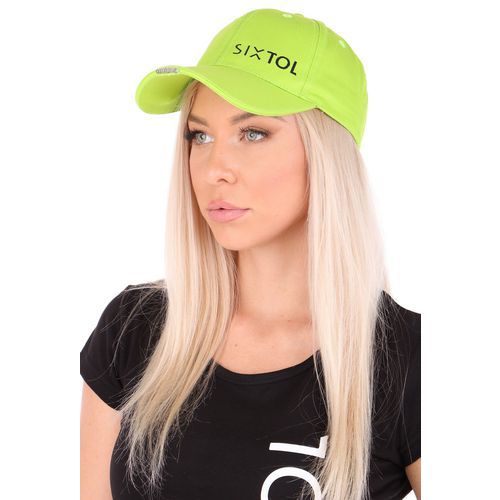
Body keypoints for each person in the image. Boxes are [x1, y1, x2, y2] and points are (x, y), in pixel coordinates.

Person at [80, 8, 421, 500]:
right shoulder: (134, 330)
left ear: (326, 153)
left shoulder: (408, 362)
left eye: (253, 133)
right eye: (200, 135)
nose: (214, 168)